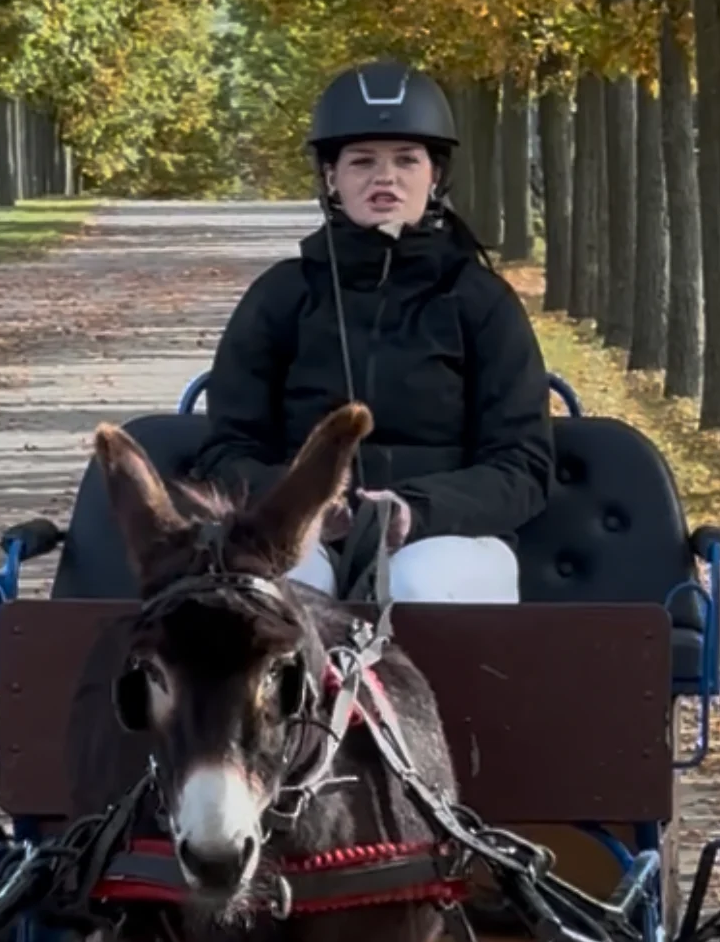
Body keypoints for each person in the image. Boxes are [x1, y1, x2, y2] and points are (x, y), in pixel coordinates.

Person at [192, 60, 553, 602]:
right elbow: (225, 452)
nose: (385, 177)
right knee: (278, 589)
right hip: (298, 530)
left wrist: (415, 511)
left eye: (406, 160)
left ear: (434, 175)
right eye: (362, 161)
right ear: (331, 177)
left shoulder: (483, 302)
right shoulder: (281, 296)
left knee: (411, 585)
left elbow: (522, 465)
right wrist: (302, 501)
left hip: (448, 537)